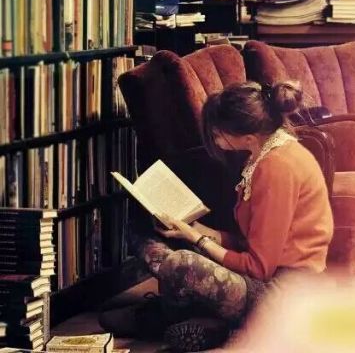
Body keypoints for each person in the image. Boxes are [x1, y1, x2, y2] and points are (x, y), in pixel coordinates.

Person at [99, 81, 334, 351]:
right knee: (144, 235)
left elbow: (259, 267)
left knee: (182, 262)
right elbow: (253, 242)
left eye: (217, 132)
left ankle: (176, 316)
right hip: (268, 276)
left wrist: (197, 239)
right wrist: (201, 230)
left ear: (247, 137)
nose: (214, 138)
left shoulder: (276, 169)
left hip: (283, 293)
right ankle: (211, 322)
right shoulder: (266, 154)